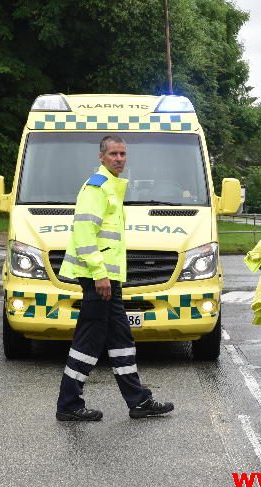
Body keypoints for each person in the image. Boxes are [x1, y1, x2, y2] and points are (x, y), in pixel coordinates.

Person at [55, 135, 174, 421]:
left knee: (121, 338)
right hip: (99, 279)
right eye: (113, 154)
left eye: (122, 154)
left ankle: (139, 401)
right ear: (101, 157)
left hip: (109, 279)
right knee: (88, 340)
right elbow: (84, 234)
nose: (119, 158)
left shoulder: (111, 187)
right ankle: (69, 404)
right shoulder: (96, 188)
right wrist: (99, 274)